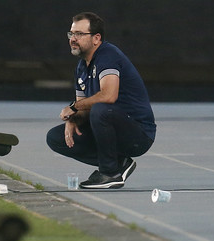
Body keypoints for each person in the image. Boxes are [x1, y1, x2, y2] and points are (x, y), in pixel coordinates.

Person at [46, 12, 156, 189]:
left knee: (101, 109)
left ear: (96, 38)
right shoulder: (81, 66)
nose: (73, 39)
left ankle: (109, 173)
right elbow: (83, 108)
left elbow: (108, 96)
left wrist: (73, 107)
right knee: (56, 137)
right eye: (71, 34)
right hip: (109, 126)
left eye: (79, 34)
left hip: (138, 134)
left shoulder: (108, 55)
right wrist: (74, 119)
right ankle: (118, 164)